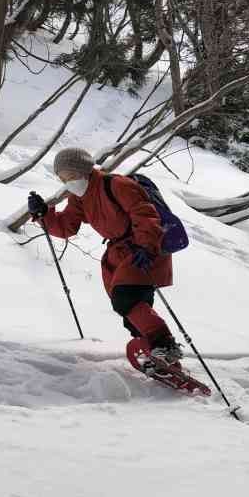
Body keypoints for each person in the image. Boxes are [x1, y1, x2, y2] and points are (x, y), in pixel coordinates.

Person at [27, 148, 183, 372]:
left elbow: (146, 215)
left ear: (84, 171)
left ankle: (166, 347)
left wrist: (147, 247)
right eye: (63, 179)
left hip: (144, 249)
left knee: (126, 299)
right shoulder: (80, 197)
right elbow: (67, 227)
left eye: (70, 177)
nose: (68, 182)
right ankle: (158, 354)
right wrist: (45, 213)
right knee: (130, 310)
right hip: (120, 254)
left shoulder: (118, 185)